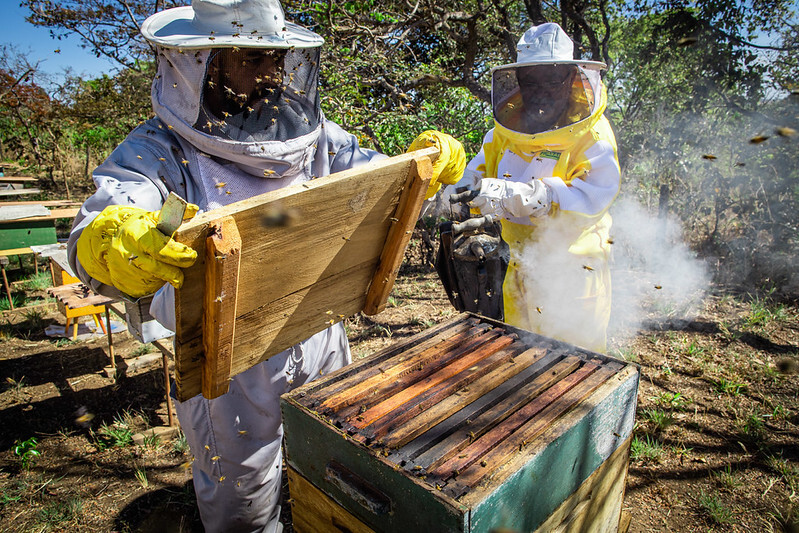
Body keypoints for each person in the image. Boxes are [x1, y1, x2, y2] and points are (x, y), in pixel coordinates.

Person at [67, 1, 461, 531]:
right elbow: (105, 216)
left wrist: (423, 169)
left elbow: (372, 176)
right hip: (227, 362)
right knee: (245, 499)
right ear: (204, 64)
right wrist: (109, 240)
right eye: (251, 58)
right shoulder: (158, 150)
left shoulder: (313, 134)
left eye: (276, 57)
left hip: (321, 329)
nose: (270, 72)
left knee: (332, 468)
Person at [433, 22, 621, 352]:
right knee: (523, 365)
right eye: (530, 79)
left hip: (572, 273)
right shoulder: (504, 132)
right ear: (517, 81)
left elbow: (591, 197)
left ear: (570, 77)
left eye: (551, 78)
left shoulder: (593, 137)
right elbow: (474, 179)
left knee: (574, 371)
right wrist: (450, 197)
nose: (541, 89)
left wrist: (521, 196)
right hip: (516, 268)